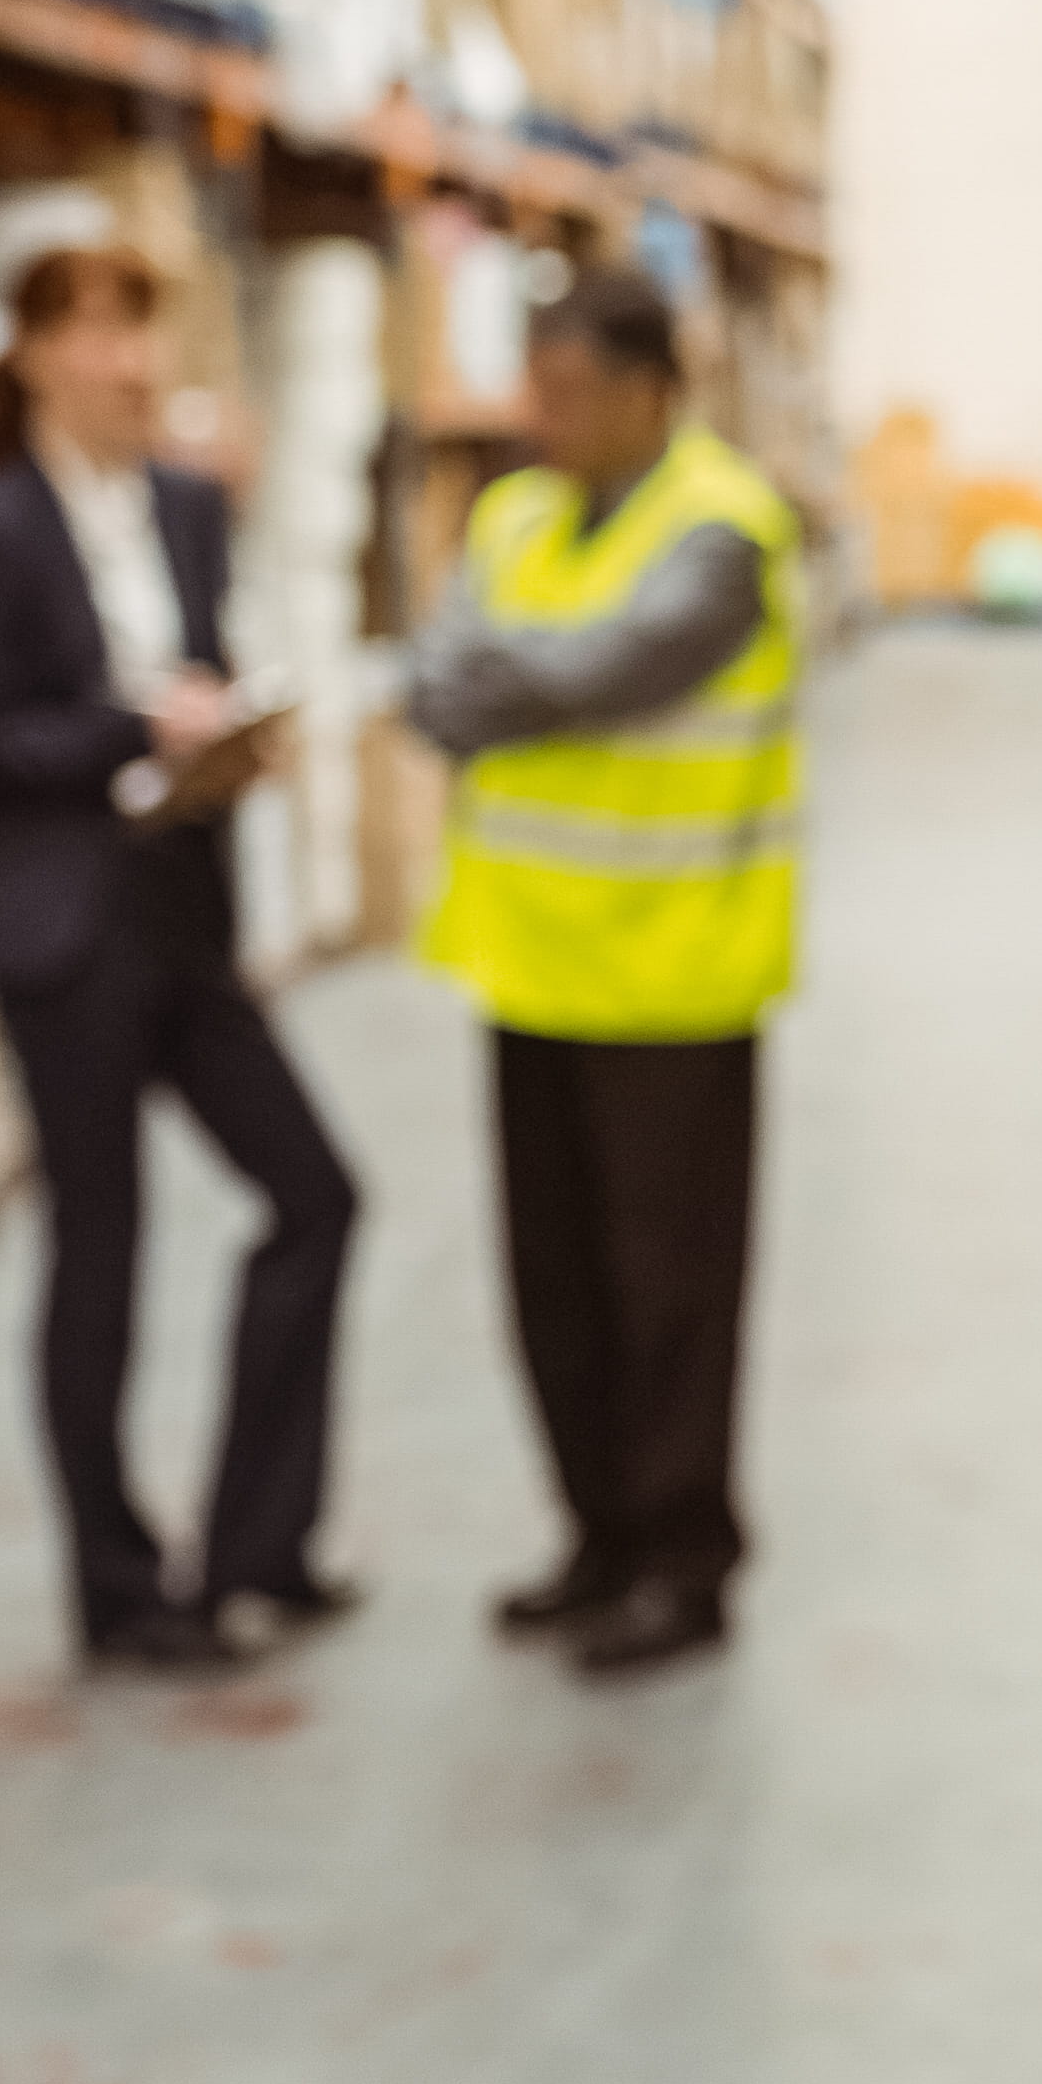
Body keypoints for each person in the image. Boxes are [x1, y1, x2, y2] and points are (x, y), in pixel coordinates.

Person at [0, 243, 365, 1675]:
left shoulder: (186, 505)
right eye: (100, 335)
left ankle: (259, 1549)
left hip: (183, 913)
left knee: (315, 1193)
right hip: (66, 933)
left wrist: (229, 738)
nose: (131, 363)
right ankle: (119, 1593)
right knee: (100, 1253)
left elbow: (199, 667)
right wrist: (139, 728)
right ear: (39, 354)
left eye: (142, 331)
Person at [408, 261, 804, 1678]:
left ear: (650, 394)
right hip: (528, 968)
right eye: (536, 387)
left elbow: (606, 675)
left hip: (675, 980)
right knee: (555, 1286)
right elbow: (432, 679)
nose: (543, 416)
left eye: (571, 391)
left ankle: (683, 1562)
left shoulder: (723, 531)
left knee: (672, 1296)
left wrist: (501, 680)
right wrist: (500, 678)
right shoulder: (509, 512)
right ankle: (595, 1541)